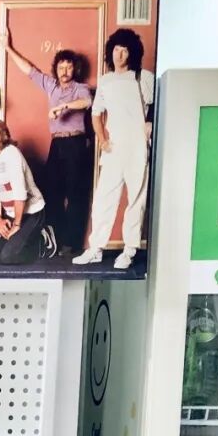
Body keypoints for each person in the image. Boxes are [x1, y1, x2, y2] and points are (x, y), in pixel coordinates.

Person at [4, 28, 93, 255]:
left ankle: (72, 244)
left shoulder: (81, 88)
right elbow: (30, 70)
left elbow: (86, 102)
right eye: (61, 67)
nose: (64, 71)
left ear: (75, 69)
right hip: (57, 145)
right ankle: (55, 241)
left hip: (76, 144)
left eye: (69, 67)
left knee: (76, 195)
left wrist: (63, 106)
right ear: (56, 69)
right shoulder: (51, 85)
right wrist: (8, 48)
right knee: (52, 193)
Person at [72, 28, 154, 270]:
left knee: (136, 199)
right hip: (114, 148)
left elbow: (155, 106)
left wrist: (150, 123)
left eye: (125, 50)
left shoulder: (143, 77)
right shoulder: (106, 81)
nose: (120, 55)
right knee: (103, 199)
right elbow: (96, 114)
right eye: (117, 49)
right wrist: (103, 139)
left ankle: (129, 250)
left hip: (137, 146)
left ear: (132, 53)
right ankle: (95, 249)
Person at [0, 122, 54, 266]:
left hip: (32, 211)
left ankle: (43, 240)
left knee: (8, 256)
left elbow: (20, 194)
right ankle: (23, 238)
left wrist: (16, 225)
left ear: (1, 136)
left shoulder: (11, 154)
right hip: (11, 213)